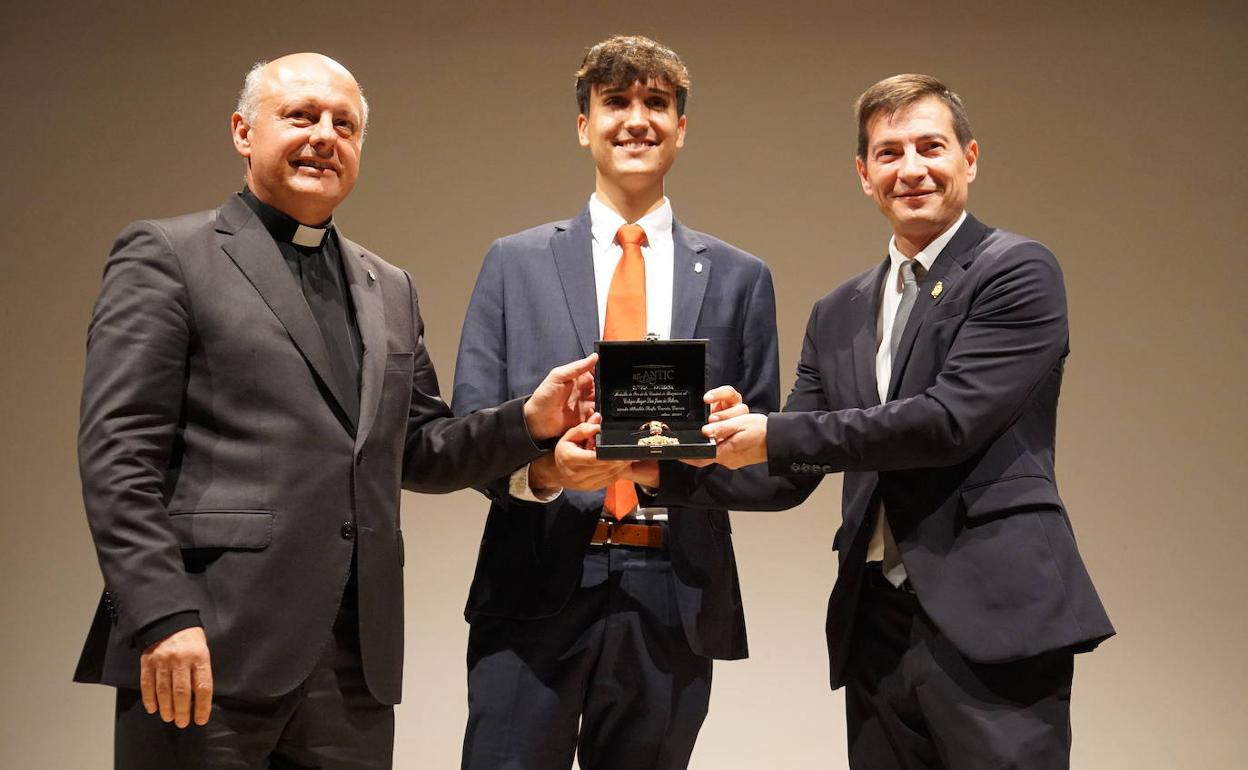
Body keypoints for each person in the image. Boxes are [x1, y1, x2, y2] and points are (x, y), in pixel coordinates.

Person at [74, 52, 596, 769]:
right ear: (242, 132)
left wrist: (528, 424)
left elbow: (417, 446)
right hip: (208, 647)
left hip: (353, 666)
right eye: (300, 117)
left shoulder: (389, 286)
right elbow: (118, 455)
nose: (325, 135)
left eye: (344, 124)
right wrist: (162, 616)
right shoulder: (169, 255)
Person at [663, 74, 1115, 768]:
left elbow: (945, 423)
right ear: (863, 175)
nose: (911, 169)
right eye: (888, 153)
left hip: (995, 616)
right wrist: (678, 455)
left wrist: (771, 433)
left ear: (969, 157)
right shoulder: (838, 311)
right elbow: (794, 470)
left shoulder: (1017, 270)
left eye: (929, 147)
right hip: (874, 624)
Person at [451, 35, 780, 770]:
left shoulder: (739, 278)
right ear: (583, 125)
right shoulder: (514, 263)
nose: (637, 119)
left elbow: (770, 465)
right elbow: (468, 432)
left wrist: (691, 458)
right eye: (616, 102)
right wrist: (546, 474)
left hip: (674, 591)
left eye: (656, 103)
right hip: (531, 582)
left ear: (682, 127)